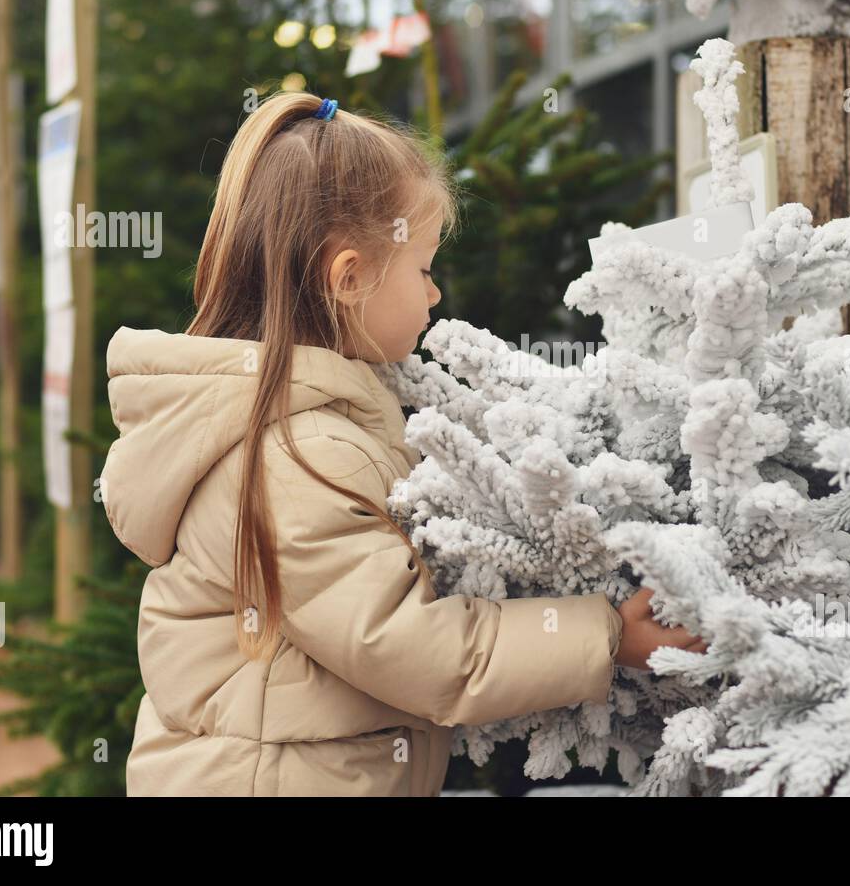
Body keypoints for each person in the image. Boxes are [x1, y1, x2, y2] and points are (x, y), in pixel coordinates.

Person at [101, 93, 706, 796]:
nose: (436, 291)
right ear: (348, 278)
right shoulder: (293, 456)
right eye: (422, 267)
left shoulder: (319, 420)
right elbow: (410, 647)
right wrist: (605, 638)